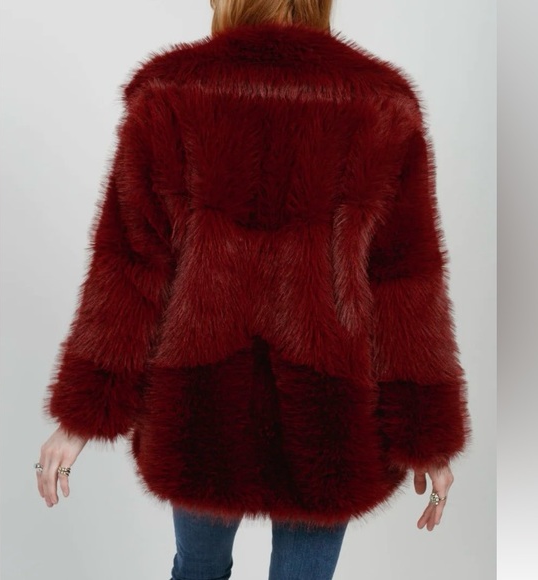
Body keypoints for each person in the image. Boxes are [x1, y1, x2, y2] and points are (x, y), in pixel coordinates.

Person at [35, 1, 472, 578]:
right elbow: (404, 282)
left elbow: (131, 267)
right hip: (330, 409)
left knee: (197, 570)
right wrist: (425, 431)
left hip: (200, 402)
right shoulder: (380, 101)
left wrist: (82, 414)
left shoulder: (171, 93)